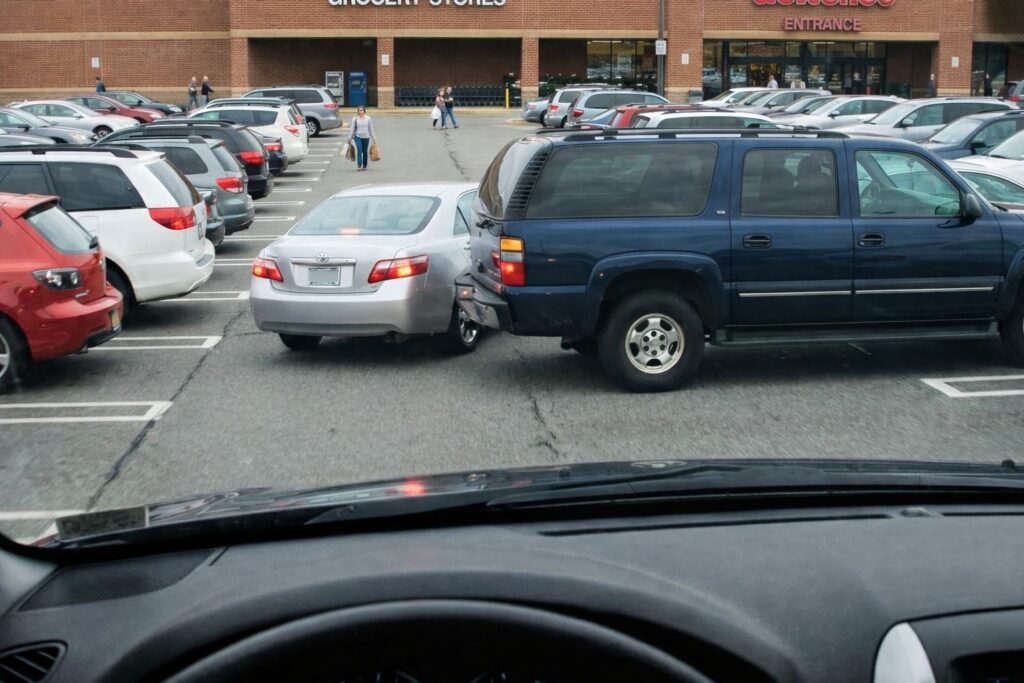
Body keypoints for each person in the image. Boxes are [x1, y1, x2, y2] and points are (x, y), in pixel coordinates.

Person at [348, 106, 376, 171]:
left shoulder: (368, 119)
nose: (361, 111)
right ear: (357, 111)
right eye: (359, 110)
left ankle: (364, 165)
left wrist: (374, 138)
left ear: (364, 111)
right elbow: (352, 129)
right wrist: (349, 138)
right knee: (359, 151)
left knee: (365, 151)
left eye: (362, 110)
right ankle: (359, 165)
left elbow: (371, 129)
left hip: (366, 137)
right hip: (357, 137)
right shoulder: (354, 119)